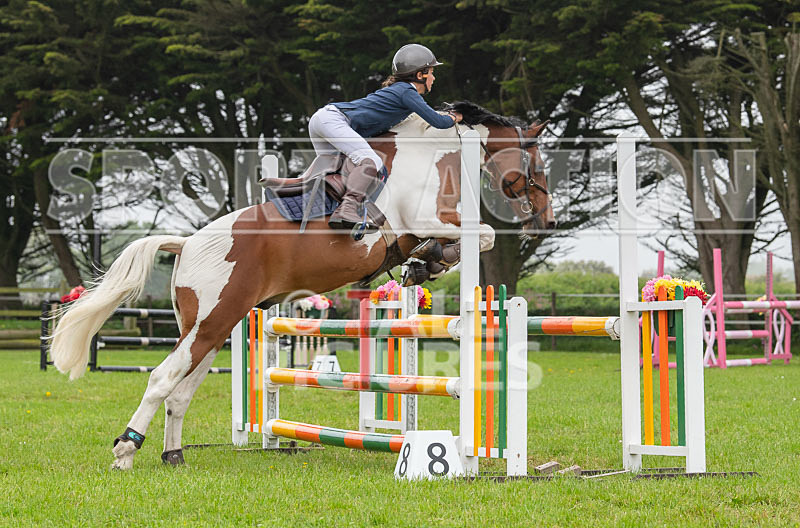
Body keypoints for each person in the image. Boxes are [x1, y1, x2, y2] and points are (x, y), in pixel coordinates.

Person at [308, 43, 463, 235]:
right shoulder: (407, 91)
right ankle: (347, 210)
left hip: (323, 120)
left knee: (340, 170)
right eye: (431, 72)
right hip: (333, 120)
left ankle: (330, 214)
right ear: (420, 75)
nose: (434, 77)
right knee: (372, 161)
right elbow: (439, 122)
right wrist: (456, 116)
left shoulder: (400, 91)